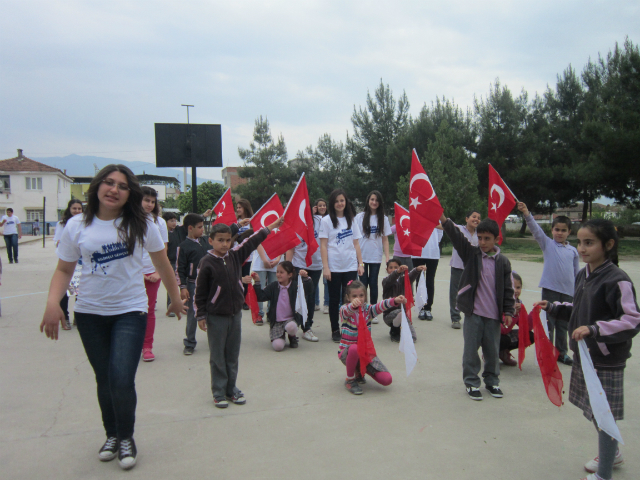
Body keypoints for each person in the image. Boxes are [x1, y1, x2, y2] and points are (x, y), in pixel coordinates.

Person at [40, 164, 186, 471]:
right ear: (97, 186)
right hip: (90, 313)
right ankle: (111, 435)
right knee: (104, 379)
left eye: (121, 186)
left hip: (130, 311)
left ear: (129, 193)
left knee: (121, 378)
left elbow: (163, 266)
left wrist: (174, 299)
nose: (114, 189)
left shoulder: (142, 224)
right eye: (108, 183)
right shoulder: (77, 225)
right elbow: (64, 269)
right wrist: (54, 302)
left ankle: (126, 437)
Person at [536, 219, 639, 480]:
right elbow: (579, 310)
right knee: (595, 411)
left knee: (605, 417)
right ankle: (612, 454)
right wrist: (554, 308)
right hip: (586, 356)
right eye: (580, 243)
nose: (582, 249)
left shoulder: (618, 279)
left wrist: (594, 330)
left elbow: (632, 319)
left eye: (589, 243)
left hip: (606, 359)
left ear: (609, 245)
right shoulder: (583, 274)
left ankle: (604, 474)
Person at [195, 217, 284, 408]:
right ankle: (218, 391)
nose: (224, 244)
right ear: (211, 241)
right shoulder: (206, 262)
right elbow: (200, 291)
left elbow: (252, 240)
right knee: (218, 355)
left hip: (235, 313)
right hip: (215, 316)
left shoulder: (234, 255)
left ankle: (231, 389)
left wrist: (272, 226)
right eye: (220, 240)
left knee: (232, 354)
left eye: (227, 240)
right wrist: (201, 315)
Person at [440, 212, 515, 401]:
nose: (482, 242)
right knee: (471, 351)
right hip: (474, 314)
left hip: (493, 316)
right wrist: (443, 218)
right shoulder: (472, 255)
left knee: (491, 350)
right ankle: (472, 383)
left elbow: (508, 289)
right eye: (480, 238)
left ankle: (492, 381)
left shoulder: (503, 262)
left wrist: (508, 311)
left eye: (487, 239)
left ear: (497, 239)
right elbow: (457, 237)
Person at [518, 202, 579, 366]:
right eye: (557, 229)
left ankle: (562, 353)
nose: (559, 233)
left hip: (568, 293)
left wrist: (578, 290)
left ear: (569, 232)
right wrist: (526, 213)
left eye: (563, 230)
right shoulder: (547, 244)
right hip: (550, 290)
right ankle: (548, 352)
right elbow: (536, 230)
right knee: (549, 323)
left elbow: (577, 273)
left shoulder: (573, 251)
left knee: (563, 324)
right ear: (552, 230)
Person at [338, 280, 406, 395]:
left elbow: (380, 306)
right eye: (354, 296)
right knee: (354, 348)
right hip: (347, 352)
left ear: (365, 296)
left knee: (386, 379)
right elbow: (346, 310)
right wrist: (352, 306)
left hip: (365, 354)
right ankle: (350, 379)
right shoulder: (344, 309)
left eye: (361, 295)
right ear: (348, 297)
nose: (358, 298)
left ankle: (360, 371)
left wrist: (394, 300)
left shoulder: (368, 310)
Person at [320, 189, 364, 343]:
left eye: (342, 200)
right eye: (337, 201)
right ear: (332, 203)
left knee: (350, 298)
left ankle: (349, 327)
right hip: (334, 267)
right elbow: (323, 246)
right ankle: (335, 329)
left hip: (350, 266)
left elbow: (356, 243)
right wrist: (326, 267)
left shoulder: (351, 220)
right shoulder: (326, 221)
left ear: (346, 202)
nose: (340, 203)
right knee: (334, 299)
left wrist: (360, 263)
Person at [251, 261, 314, 351]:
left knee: (291, 327)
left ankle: (292, 336)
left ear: (289, 275)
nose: (278, 274)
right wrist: (257, 282)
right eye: (277, 272)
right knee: (278, 347)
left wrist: (306, 278)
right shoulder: (273, 286)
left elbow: (308, 290)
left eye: (281, 272)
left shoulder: (295, 285)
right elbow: (261, 296)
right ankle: (280, 336)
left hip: (290, 319)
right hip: (277, 321)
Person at [139, 187, 169, 362]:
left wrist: (158, 272)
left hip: (153, 272)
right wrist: (137, 273)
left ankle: (147, 347)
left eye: (152, 201)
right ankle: (131, 345)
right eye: (146, 200)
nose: (149, 204)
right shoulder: (126, 221)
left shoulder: (160, 223)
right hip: (133, 273)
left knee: (149, 310)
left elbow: (163, 249)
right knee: (132, 311)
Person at [286, 206, 322, 342]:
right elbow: (290, 247)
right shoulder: (294, 224)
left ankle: (307, 328)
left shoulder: (319, 221)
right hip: (299, 265)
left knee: (311, 297)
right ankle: (292, 326)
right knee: (297, 297)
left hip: (316, 265)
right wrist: (287, 269)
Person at [176, 214, 209, 355]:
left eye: (203, 227)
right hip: (192, 284)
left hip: (210, 282)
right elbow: (180, 268)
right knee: (192, 314)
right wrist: (182, 287)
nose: (203, 230)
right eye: (200, 227)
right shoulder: (183, 246)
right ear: (190, 228)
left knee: (213, 310)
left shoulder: (206, 241)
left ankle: (216, 339)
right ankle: (189, 343)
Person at [355, 190, 392, 307]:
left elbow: (385, 239)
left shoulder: (384, 218)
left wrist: (387, 257)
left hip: (375, 257)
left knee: (373, 283)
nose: (374, 202)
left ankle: (373, 308)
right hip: (362, 257)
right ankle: (363, 307)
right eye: (372, 199)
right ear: (368, 201)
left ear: (380, 203)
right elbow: (355, 239)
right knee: (363, 283)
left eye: (376, 200)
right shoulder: (359, 217)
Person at [53, 199, 84, 329]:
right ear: (69, 209)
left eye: (79, 209)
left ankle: (78, 316)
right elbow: (58, 242)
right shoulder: (62, 224)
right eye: (74, 208)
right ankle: (65, 318)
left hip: (82, 262)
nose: (77, 211)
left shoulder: (85, 222)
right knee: (65, 291)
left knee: (79, 291)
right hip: (68, 262)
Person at [449, 210, 481, 329]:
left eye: (478, 218)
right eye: (473, 216)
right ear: (466, 219)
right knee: (455, 293)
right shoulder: (459, 229)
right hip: (458, 267)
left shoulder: (480, 234)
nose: (476, 219)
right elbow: (443, 225)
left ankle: (472, 315)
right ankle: (455, 318)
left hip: (472, 268)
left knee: (474, 292)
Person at [382, 258, 425, 342]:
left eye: (396, 267)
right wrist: (397, 272)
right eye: (391, 267)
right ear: (386, 269)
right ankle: (394, 331)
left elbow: (410, 276)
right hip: (389, 315)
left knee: (413, 338)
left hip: (402, 314)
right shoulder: (385, 281)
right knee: (400, 313)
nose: (393, 269)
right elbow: (391, 279)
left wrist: (417, 270)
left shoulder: (402, 280)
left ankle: (400, 329)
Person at [498, 272, 534, 366]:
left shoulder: (518, 302)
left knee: (530, 335)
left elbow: (527, 327)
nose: (516, 291)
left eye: (518, 287)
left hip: (503, 334)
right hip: (492, 334)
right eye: (512, 287)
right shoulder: (500, 301)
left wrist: (535, 313)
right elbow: (503, 329)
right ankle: (489, 354)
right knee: (503, 339)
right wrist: (513, 314)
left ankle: (503, 352)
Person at [412, 226, 444, 321]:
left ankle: (428, 308)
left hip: (432, 253)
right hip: (418, 252)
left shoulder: (436, 214)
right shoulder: (416, 212)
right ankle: (421, 307)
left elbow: (440, 232)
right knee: (419, 280)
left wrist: (433, 244)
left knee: (429, 281)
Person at [251, 245, 282, 325]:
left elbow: (282, 243)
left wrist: (278, 260)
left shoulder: (278, 231)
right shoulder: (261, 231)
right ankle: (258, 314)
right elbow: (258, 243)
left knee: (274, 289)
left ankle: (271, 313)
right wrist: (264, 260)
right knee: (259, 288)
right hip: (260, 262)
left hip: (275, 263)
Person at [235, 199, 254, 310]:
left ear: (245, 208)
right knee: (237, 277)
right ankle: (237, 298)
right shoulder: (235, 222)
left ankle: (245, 300)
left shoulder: (252, 222)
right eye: (237, 207)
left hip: (248, 256)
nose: (238, 210)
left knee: (246, 277)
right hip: (236, 255)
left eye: (240, 207)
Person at [313, 198, 330, 314]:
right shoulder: (312, 220)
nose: (322, 207)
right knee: (314, 282)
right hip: (315, 254)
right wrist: (311, 214)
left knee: (326, 281)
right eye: (320, 206)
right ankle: (315, 302)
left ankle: (327, 304)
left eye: (324, 205)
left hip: (328, 254)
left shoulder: (330, 220)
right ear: (316, 207)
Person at [162, 211, 179, 314]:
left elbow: (190, 222)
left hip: (180, 261)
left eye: (175, 220)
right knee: (172, 284)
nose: (174, 223)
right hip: (170, 261)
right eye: (171, 221)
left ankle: (183, 303)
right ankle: (170, 305)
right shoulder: (164, 234)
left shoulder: (178, 231)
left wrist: (203, 216)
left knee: (182, 283)